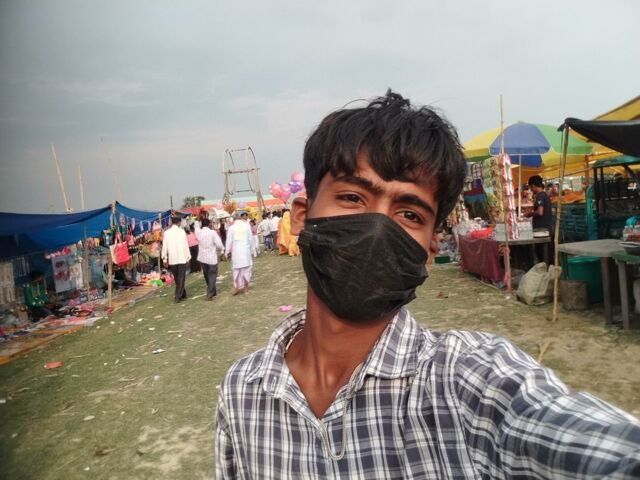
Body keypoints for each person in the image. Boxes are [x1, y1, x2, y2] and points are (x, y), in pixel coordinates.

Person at [215, 91, 640, 478]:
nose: (377, 228)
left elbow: (578, 438)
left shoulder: (468, 381)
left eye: (409, 214)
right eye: (353, 198)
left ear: (430, 251)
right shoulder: (242, 392)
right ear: (301, 217)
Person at [225, 212, 257, 295]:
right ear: (240, 217)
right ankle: (246, 288)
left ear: (233, 219)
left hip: (236, 253)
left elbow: (229, 241)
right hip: (245, 252)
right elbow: (251, 239)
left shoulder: (231, 228)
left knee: (236, 270)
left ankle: (237, 286)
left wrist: (226, 252)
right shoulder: (246, 226)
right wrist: (253, 251)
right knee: (246, 270)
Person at [161, 216, 191, 303]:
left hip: (172, 259)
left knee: (178, 278)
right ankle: (178, 296)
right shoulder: (182, 232)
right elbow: (185, 245)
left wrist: (164, 259)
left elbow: (164, 247)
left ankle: (183, 294)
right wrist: (188, 257)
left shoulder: (166, 233)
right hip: (181, 258)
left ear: (172, 222)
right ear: (179, 223)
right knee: (181, 277)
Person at [526, 174, 554, 262]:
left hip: (542, 230)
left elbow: (540, 212)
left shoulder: (540, 195)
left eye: (530, 187)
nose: (530, 190)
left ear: (533, 186)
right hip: (545, 229)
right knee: (546, 254)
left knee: (543, 255)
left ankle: (546, 269)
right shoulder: (544, 195)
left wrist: (529, 214)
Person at [194, 218, 224, 300]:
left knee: (207, 275)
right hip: (211, 257)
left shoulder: (198, 232)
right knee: (212, 275)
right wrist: (222, 250)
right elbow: (219, 244)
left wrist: (197, 220)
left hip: (202, 257)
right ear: (209, 224)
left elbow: (196, 227)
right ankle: (210, 293)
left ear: (202, 224)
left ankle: (212, 291)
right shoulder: (212, 232)